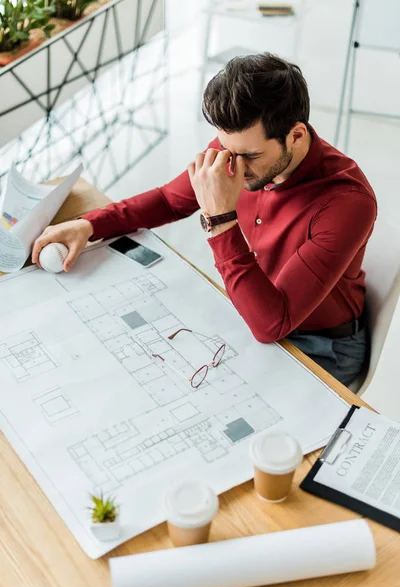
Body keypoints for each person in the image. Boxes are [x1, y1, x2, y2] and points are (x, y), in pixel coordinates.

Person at [32, 53, 377, 387]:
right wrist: (90, 224)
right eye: (228, 149)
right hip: (248, 308)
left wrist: (221, 219)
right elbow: (170, 200)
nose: (235, 166)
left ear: (296, 136)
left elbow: (272, 324)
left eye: (250, 156)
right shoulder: (240, 144)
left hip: (322, 347)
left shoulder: (347, 202)